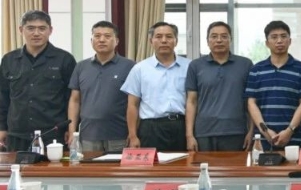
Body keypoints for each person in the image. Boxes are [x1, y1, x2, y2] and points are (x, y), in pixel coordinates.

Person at [0, 10, 76, 152]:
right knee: (16, 166)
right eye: (31, 28)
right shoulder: (9, 60)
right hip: (17, 134)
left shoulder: (64, 59)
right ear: (21, 30)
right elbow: (3, 97)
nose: (36, 33)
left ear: (50, 30)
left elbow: (72, 98)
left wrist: (71, 129)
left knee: (53, 167)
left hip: (53, 134)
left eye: (42, 28)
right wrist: (2, 128)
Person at [121, 21, 191, 151]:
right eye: (158, 37)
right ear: (151, 41)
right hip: (151, 128)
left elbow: (194, 101)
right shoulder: (140, 69)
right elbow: (132, 105)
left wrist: (190, 134)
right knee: (153, 164)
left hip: (182, 126)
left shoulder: (190, 67)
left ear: (176, 41)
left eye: (169, 37)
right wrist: (133, 135)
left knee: (184, 163)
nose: (164, 41)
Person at [185, 21, 253, 152]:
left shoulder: (245, 64)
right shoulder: (196, 65)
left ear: (230, 40)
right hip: (204, 132)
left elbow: (251, 102)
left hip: (236, 132)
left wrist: (251, 132)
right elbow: (191, 101)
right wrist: (189, 135)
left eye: (224, 36)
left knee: (234, 166)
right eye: (214, 36)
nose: (219, 40)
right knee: (204, 166)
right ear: (207, 41)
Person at [68, 21, 135, 153]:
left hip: (119, 135)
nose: (102, 40)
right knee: (89, 167)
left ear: (116, 41)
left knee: (118, 167)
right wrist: (72, 132)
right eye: (97, 36)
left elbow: (135, 103)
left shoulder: (130, 66)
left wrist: (133, 134)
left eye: (107, 36)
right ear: (91, 40)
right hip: (88, 135)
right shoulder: (81, 66)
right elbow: (74, 101)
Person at [246, 20, 301, 149]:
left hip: (294, 138)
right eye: (274, 37)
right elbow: (251, 103)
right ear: (267, 43)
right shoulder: (256, 70)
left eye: (283, 36)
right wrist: (266, 131)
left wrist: (289, 131)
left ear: (290, 41)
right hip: (263, 140)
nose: (279, 41)